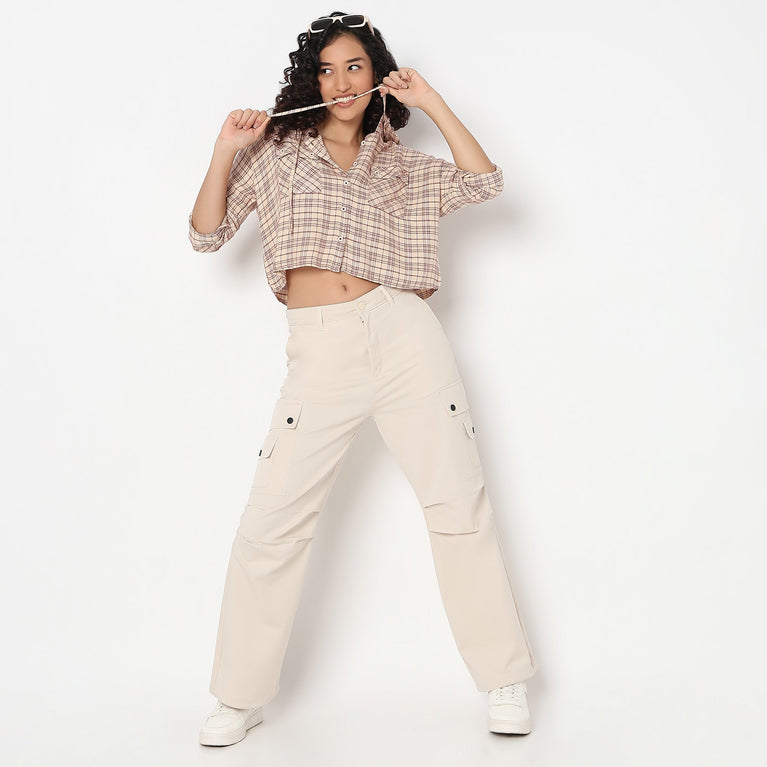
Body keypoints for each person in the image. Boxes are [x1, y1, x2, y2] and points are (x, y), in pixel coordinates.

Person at [189, 12, 538, 747]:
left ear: (376, 76)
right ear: (310, 82)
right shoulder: (278, 152)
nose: (340, 82)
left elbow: (486, 182)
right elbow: (206, 234)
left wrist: (432, 101)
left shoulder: (402, 165)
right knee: (272, 522)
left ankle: (502, 678)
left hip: (406, 336)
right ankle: (238, 694)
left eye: (354, 66)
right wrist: (224, 151)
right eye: (326, 69)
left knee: (458, 504)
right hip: (320, 350)